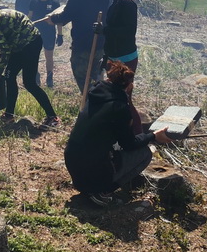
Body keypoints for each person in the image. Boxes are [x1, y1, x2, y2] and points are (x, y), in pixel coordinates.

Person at [64, 61, 172, 207]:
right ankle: (102, 192)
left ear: (109, 79)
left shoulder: (95, 96)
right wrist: (153, 136)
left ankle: (90, 187)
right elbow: (129, 144)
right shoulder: (119, 108)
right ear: (129, 86)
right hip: (92, 168)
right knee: (145, 153)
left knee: (105, 150)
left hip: (73, 163)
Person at [0, 2, 59, 128]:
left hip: (30, 43)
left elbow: (5, 50)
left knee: (29, 83)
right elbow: (7, 47)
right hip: (17, 45)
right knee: (9, 76)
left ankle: (53, 117)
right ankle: (9, 115)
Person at [48, 0, 110, 93]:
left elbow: (67, 15)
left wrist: (53, 19)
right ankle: (97, 98)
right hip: (100, 42)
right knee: (96, 76)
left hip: (82, 43)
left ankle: (89, 99)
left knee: (81, 74)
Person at [98, 0, 143, 133]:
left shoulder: (127, 2)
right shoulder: (117, 0)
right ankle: (119, 134)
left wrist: (105, 30)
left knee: (124, 99)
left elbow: (128, 31)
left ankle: (138, 136)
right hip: (114, 57)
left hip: (125, 59)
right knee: (115, 99)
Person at [28, 0, 63, 88]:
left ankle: (49, 77)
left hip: (49, 33)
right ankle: (35, 74)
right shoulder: (33, 1)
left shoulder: (55, 3)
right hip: (35, 33)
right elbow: (30, 16)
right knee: (34, 55)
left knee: (49, 56)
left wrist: (60, 35)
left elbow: (59, 21)